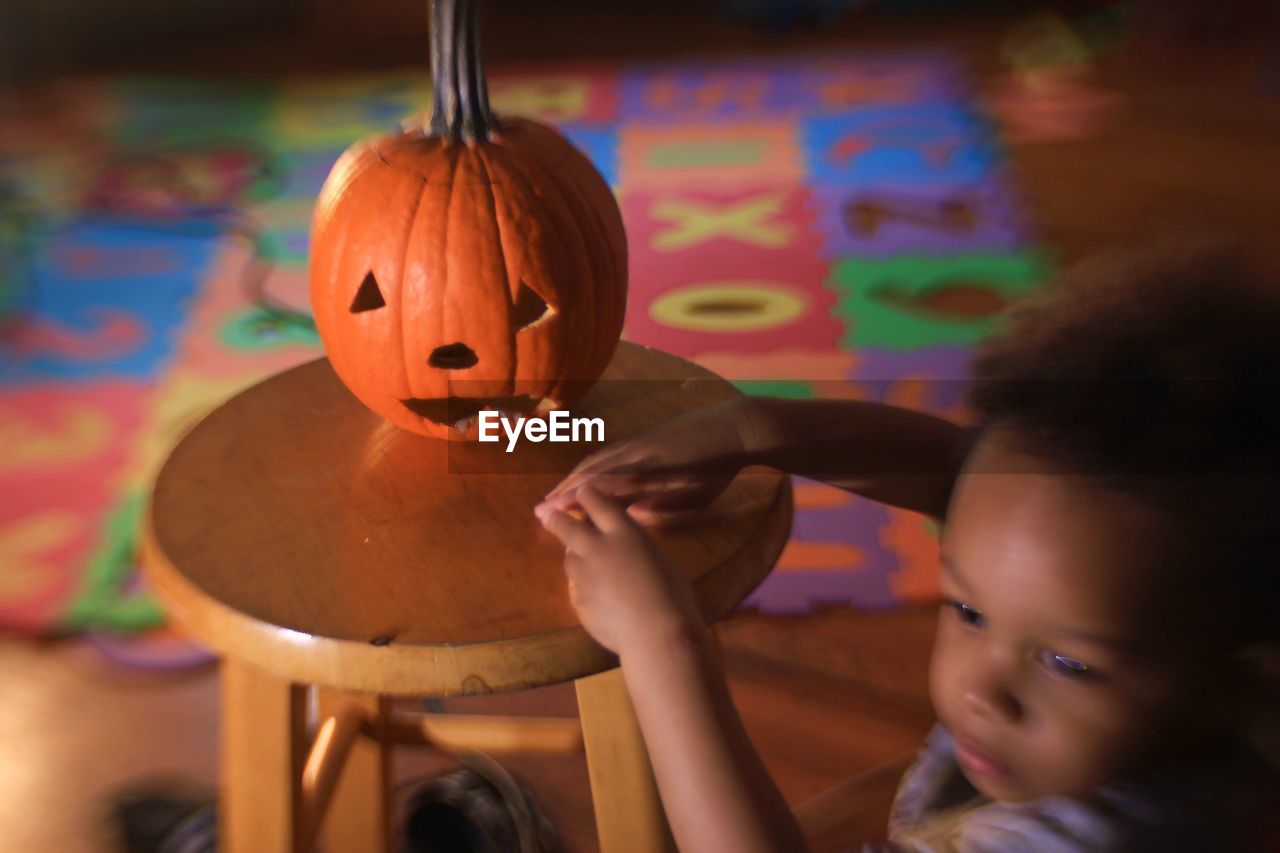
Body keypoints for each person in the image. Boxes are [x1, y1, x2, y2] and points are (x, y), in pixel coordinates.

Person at [534, 244, 1280, 851]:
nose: (980, 690)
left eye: (1071, 664)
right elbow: (961, 472)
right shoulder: (1188, 629)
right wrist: (753, 431)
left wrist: (663, 644)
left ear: (1244, 675)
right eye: (968, 608)